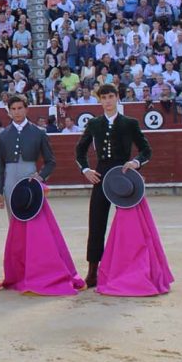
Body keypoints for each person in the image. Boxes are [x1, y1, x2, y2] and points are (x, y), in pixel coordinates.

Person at [74, 83, 152, 287]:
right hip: (100, 176)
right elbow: (79, 151)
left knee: (128, 224)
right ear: (99, 100)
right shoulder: (94, 124)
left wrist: (135, 162)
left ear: (117, 98)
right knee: (96, 222)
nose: (107, 101)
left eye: (111, 96)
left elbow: (146, 150)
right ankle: (92, 271)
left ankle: (130, 267)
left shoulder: (130, 123)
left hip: (123, 177)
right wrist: (86, 170)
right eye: (104, 97)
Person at [0, 96, 55, 207]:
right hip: (9, 180)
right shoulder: (2, 135)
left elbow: (50, 161)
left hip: (30, 177)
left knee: (31, 216)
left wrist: (40, 177)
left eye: (20, 108)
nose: (17, 112)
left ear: (26, 109)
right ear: (9, 112)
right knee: (13, 217)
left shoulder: (39, 132)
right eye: (13, 109)